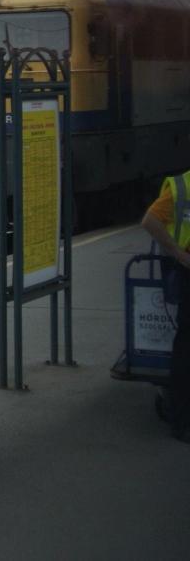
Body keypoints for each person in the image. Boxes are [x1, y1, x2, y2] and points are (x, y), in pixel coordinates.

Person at [140, 170, 190, 441]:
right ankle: (181, 422)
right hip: (188, 273)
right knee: (186, 348)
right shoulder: (182, 187)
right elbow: (150, 220)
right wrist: (180, 254)